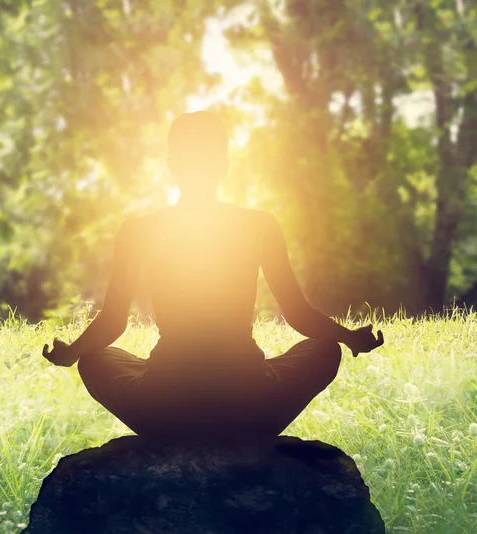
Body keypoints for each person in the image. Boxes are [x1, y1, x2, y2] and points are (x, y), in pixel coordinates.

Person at [42, 111, 384, 442]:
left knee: (94, 360)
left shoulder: (139, 231)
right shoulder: (259, 225)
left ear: (172, 166)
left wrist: (71, 352)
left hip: (165, 405)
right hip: (249, 402)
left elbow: (113, 323)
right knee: (325, 351)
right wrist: (349, 338)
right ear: (223, 167)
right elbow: (298, 314)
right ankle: (242, 434)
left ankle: (175, 435)